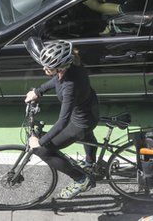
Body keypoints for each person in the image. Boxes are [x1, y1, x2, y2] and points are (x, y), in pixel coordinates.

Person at [26, 40, 99, 199]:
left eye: (48, 67)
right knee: (88, 136)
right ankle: (90, 163)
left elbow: (62, 122)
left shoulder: (70, 86)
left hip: (81, 122)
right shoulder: (72, 67)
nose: (44, 69)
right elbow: (56, 80)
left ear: (61, 66)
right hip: (89, 110)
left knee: (43, 151)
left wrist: (41, 142)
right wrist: (38, 91)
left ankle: (81, 179)